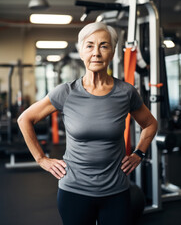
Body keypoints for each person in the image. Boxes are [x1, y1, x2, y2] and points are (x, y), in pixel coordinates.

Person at [18, 22, 158, 225]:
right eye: (90, 45)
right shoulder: (65, 92)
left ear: (112, 52)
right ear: (81, 51)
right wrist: (41, 159)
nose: (96, 53)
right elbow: (25, 119)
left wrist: (139, 153)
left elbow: (150, 124)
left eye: (104, 45)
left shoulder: (126, 92)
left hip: (116, 191)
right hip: (74, 191)